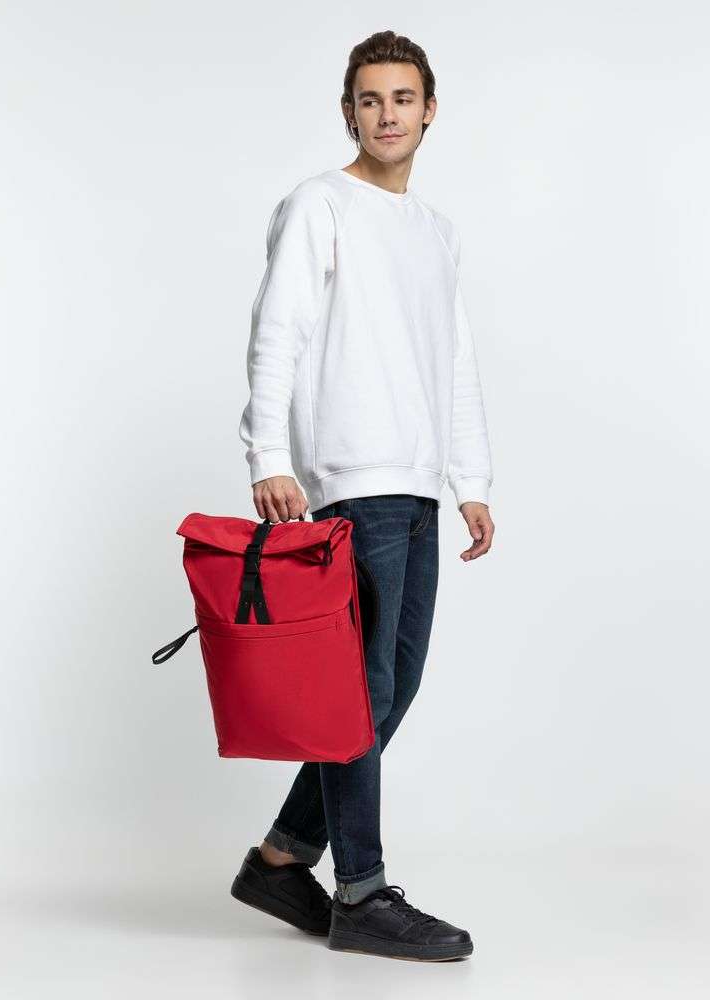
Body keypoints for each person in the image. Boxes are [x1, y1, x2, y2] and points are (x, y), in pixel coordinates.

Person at [232, 29, 495, 962]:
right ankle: (362, 891)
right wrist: (269, 454)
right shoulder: (320, 205)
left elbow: (453, 358)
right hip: (351, 481)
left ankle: (280, 859)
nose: (388, 115)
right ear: (349, 112)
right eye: (371, 99)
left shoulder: (436, 231)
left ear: (430, 110)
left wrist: (470, 479)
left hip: (417, 489)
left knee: (392, 685)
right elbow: (278, 331)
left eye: (403, 98)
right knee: (362, 689)